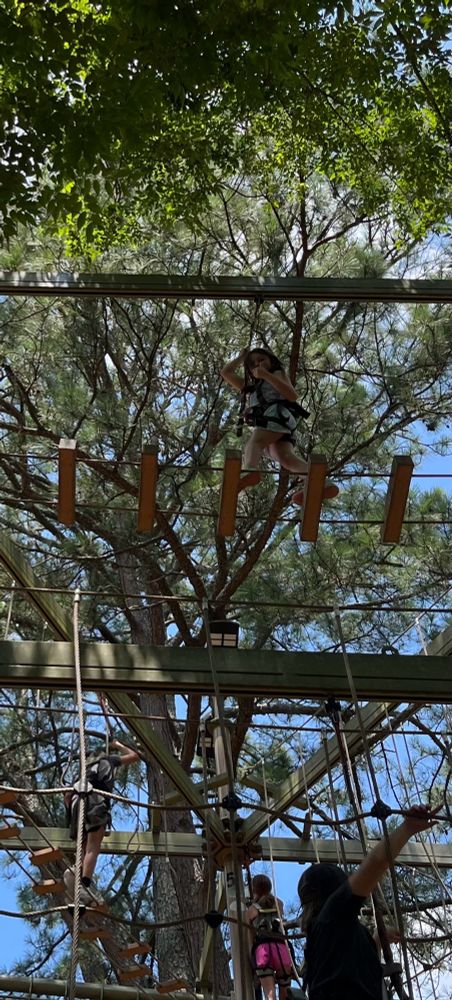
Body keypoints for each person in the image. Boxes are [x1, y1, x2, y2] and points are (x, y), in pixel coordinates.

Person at [298, 804, 440, 1000]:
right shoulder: (333, 914)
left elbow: (350, 965)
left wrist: (376, 941)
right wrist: (407, 828)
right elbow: (376, 862)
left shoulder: (322, 934)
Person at [220, 347, 338, 504]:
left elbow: (292, 395)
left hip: (275, 416)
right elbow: (226, 373)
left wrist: (265, 375)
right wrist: (241, 358)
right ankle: (321, 482)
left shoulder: (277, 373)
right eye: (253, 363)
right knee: (286, 459)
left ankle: (250, 470)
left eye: (261, 359)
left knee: (255, 443)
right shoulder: (253, 387)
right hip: (279, 423)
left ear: (271, 360)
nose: (258, 364)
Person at [63, 739, 141, 905]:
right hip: (96, 799)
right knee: (93, 845)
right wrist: (118, 745)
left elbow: (67, 797)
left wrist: (71, 818)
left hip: (77, 799)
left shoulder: (82, 772)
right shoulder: (108, 760)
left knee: (83, 846)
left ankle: (76, 872)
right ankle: (84, 883)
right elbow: (134, 756)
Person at [245, 873, 293, 1000]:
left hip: (263, 951)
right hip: (281, 949)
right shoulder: (279, 904)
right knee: (285, 991)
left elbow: (250, 937)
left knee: (269, 994)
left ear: (253, 889)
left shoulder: (251, 911)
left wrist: (251, 958)